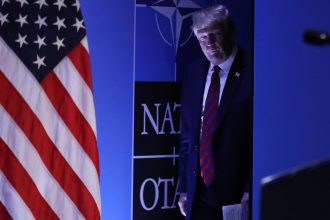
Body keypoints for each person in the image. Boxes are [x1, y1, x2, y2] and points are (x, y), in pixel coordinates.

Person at [178, 4, 252, 220]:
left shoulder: (254, 70)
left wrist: (250, 189)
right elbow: (188, 135)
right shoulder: (194, 72)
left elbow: (261, 139)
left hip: (237, 195)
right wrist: (184, 187)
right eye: (202, 38)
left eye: (215, 34)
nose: (209, 44)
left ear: (231, 33)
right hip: (199, 194)